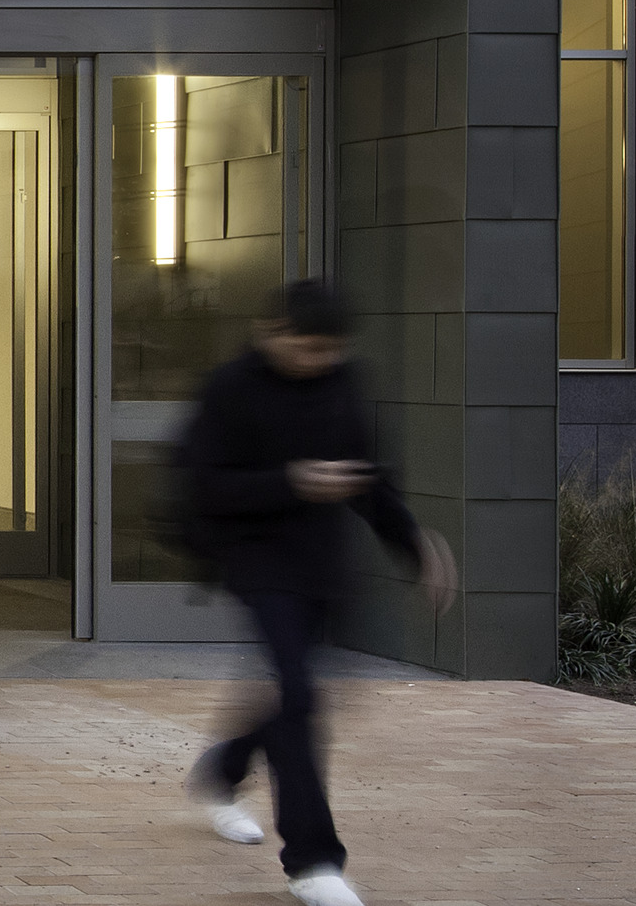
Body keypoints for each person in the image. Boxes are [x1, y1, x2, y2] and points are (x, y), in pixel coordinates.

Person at [177, 278, 459, 906]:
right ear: (270, 331)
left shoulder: (342, 382)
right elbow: (202, 490)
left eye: (330, 350)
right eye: (307, 348)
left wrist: (416, 545)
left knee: (289, 692)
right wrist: (292, 482)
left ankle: (222, 771)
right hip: (254, 558)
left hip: (319, 565)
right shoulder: (230, 389)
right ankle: (313, 863)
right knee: (299, 696)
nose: (319, 361)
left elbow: (367, 479)